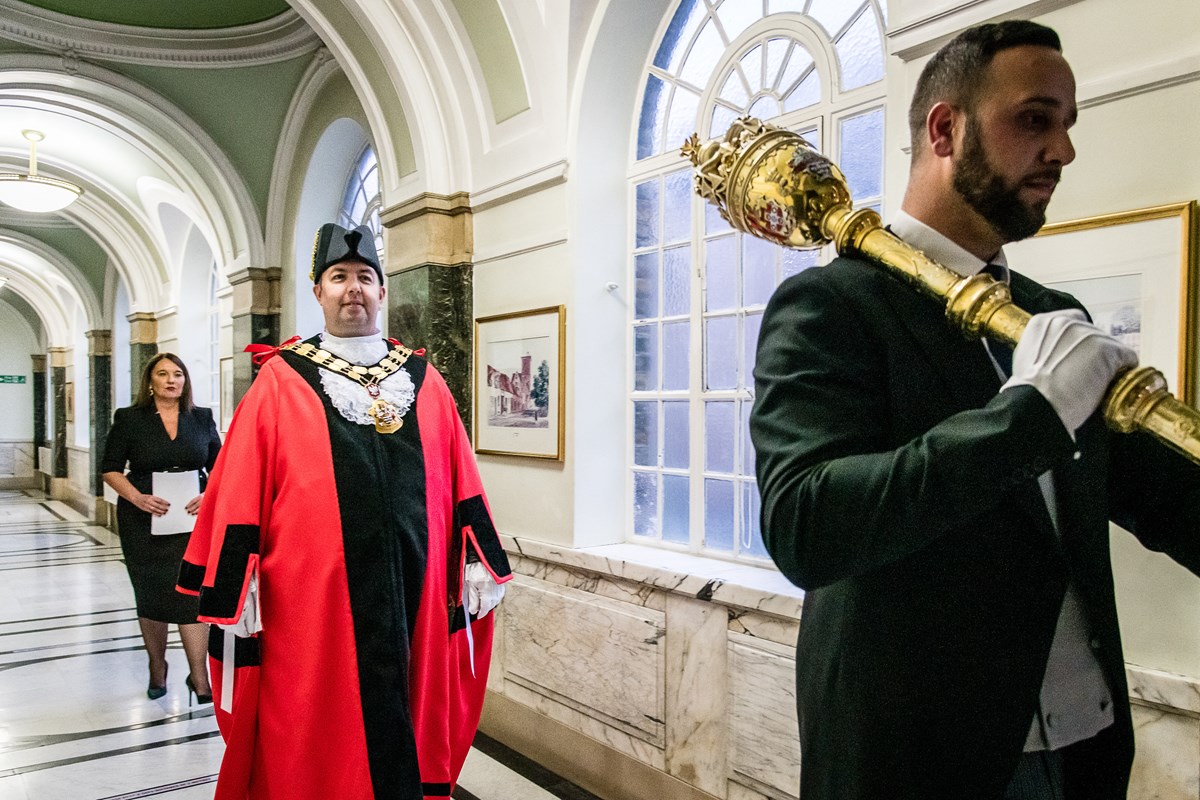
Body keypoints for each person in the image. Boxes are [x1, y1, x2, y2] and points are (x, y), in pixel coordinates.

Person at [750, 20, 1200, 800]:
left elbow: (1157, 496)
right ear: (945, 128)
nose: (1062, 150)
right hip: (923, 762)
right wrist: (1030, 413)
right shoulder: (831, 304)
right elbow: (806, 524)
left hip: (1088, 749)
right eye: (1036, 118)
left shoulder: (1052, 313)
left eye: (1066, 125)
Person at [177, 222, 511, 800]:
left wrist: (479, 560)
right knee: (315, 718)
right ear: (318, 293)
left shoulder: (424, 379)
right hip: (311, 603)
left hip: (417, 590)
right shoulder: (280, 380)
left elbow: (461, 473)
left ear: (382, 292)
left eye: (364, 277)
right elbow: (239, 486)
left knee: (410, 713)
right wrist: (238, 584)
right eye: (339, 278)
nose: (352, 288)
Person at [101, 352, 220, 704]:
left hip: (191, 522)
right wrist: (138, 498)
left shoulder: (201, 418)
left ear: (186, 381)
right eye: (163, 374)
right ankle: (158, 667)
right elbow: (109, 468)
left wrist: (208, 495)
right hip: (143, 522)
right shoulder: (129, 419)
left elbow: (222, 466)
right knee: (151, 595)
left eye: (178, 374)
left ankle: (199, 678)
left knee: (191, 596)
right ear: (149, 382)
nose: (172, 380)